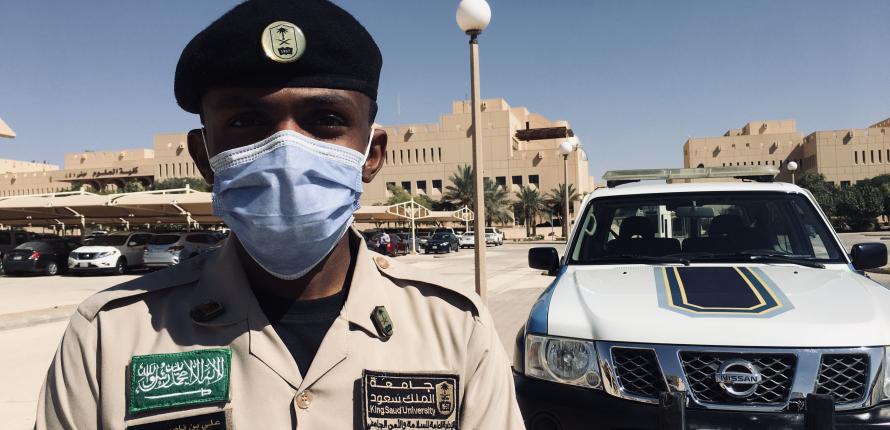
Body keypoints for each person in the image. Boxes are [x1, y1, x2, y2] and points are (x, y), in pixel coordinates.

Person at [34, 1, 524, 429]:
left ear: (371, 154)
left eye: (325, 120)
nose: (286, 150)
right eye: (247, 121)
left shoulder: (456, 330)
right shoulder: (109, 335)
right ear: (204, 157)